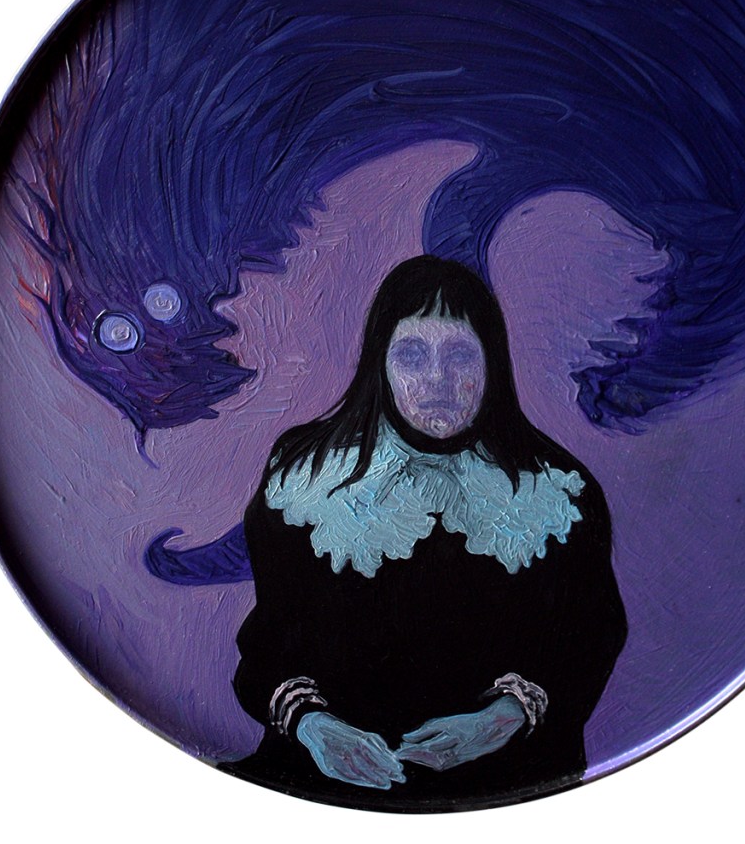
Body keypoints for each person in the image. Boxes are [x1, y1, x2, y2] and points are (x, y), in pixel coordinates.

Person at [220, 256, 627, 811]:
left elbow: (590, 640)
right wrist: (313, 727)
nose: (437, 380)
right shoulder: (306, 478)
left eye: (459, 355)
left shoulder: (559, 493)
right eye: (412, 355)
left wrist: (503, 718)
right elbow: (269, 646)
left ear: (492, 363)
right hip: (321, 784)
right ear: (380, 364)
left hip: (508, 787)